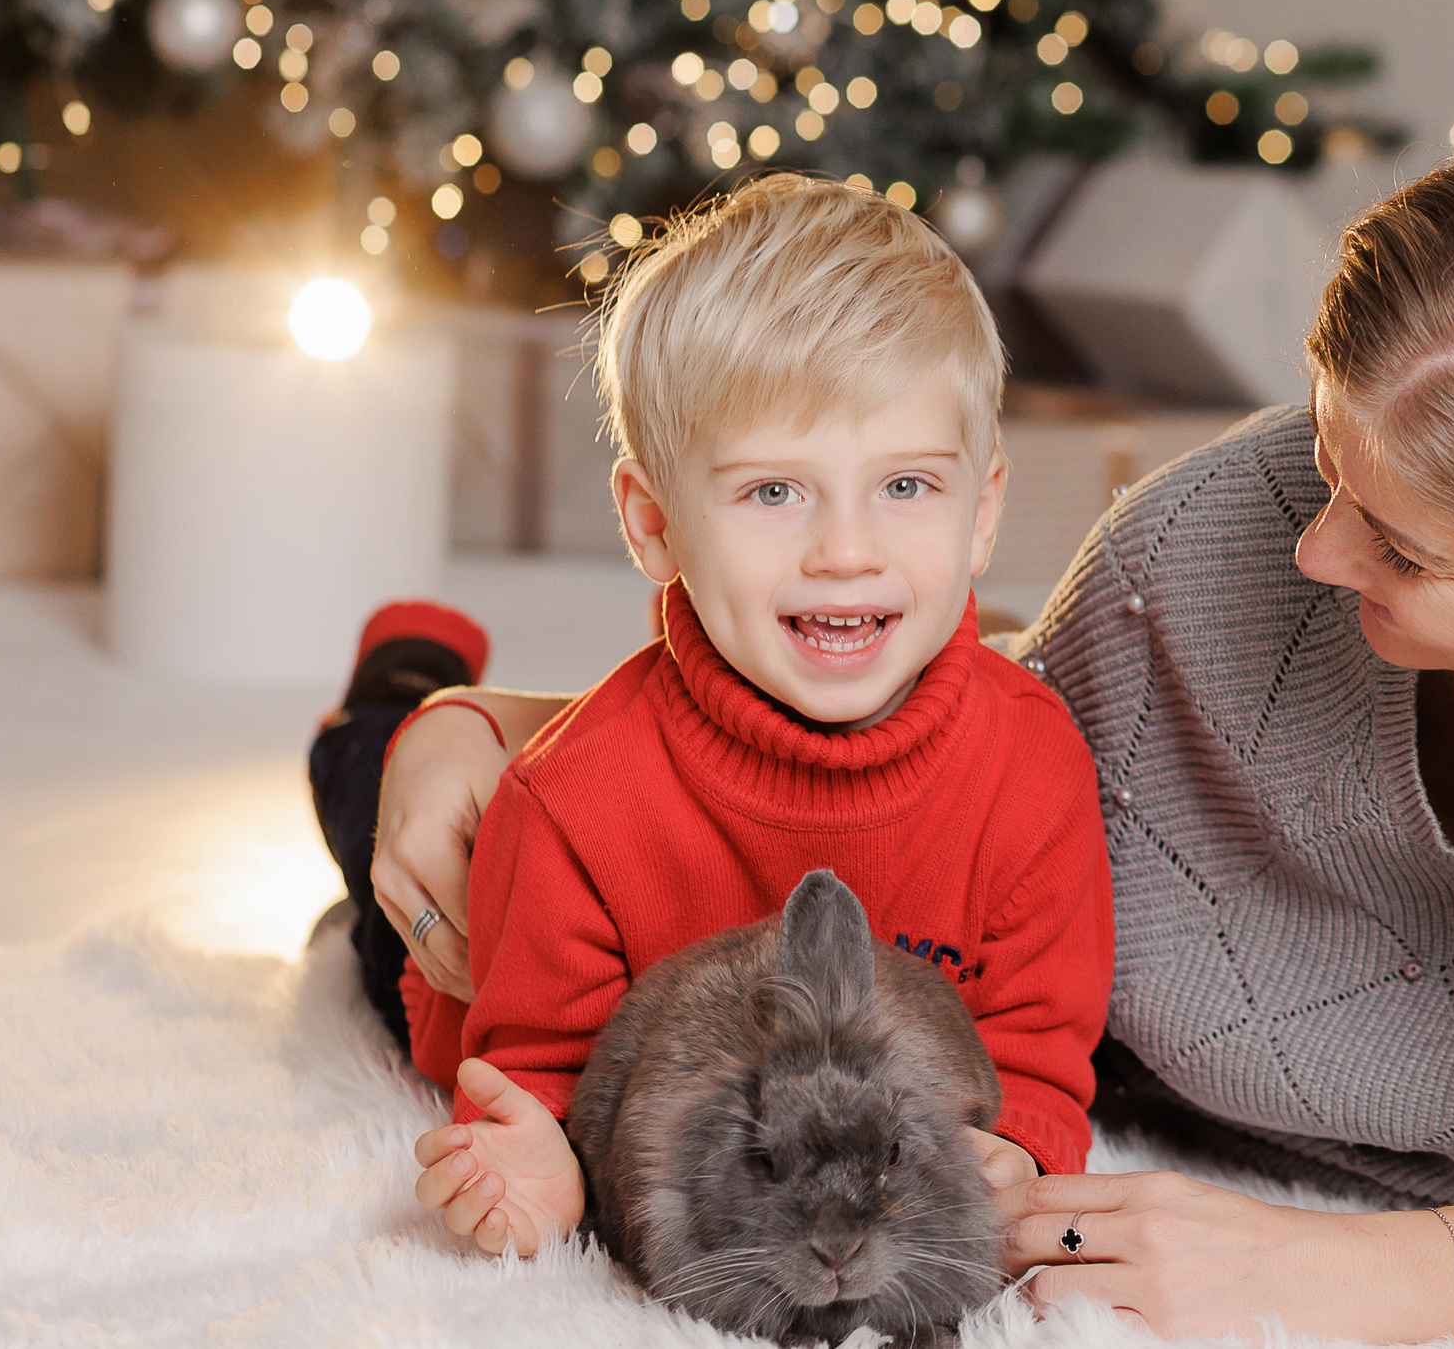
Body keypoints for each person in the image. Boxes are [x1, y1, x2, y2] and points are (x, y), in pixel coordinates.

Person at [373, 115, 1454, 1331]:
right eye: (1326, 458)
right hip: (715, 883)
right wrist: (477, 722)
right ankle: (383, 684)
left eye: (1402, 544)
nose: (1312, 546)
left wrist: (1383, 1279)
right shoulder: (1200, 561)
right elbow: (907, 722)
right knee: (405, 885)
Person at [321, 177, 1112, 1254]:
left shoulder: (1032, 765)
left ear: (983, 515)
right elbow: (533, 1071)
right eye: (774, 492)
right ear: (653, 525)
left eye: (906, 488)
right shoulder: (566, 805)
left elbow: (1037, 1048)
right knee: (374, 805)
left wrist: (1013, 1146)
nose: (846, 549)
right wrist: (539, 1157)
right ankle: (396, 684)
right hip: (468, 944)